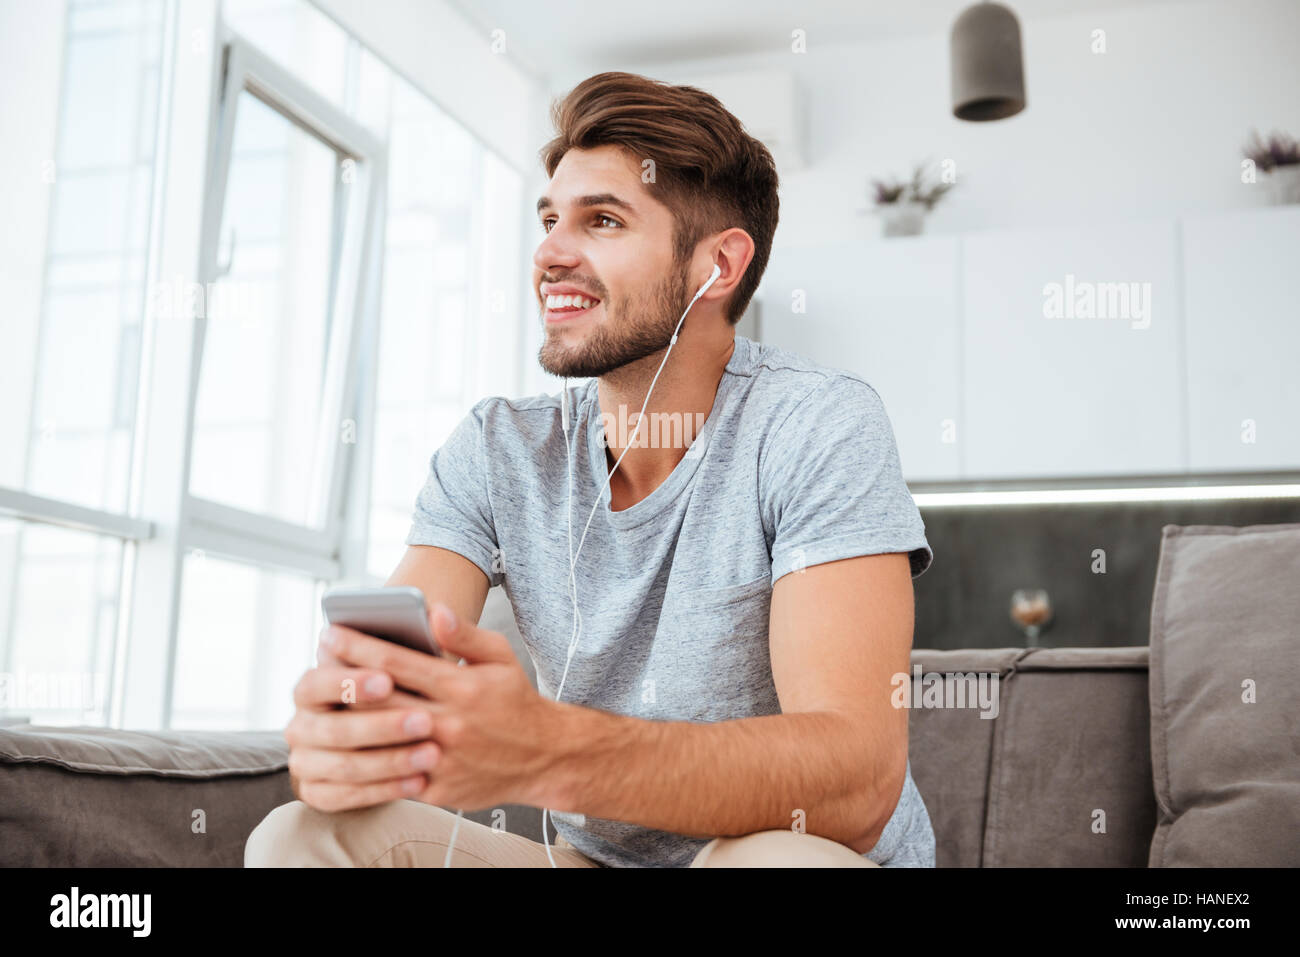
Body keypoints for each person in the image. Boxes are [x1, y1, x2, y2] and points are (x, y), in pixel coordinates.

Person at [246, 71, 934, 868]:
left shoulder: (817, 423)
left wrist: (548, 751)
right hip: (589, 862)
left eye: (601, 220)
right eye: (548, 219)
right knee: (301, 837)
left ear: (718, 267)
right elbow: (394, 672)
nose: (549, 254)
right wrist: (352, 729)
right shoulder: (500, 447)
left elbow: (855, 785)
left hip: (771, 852)